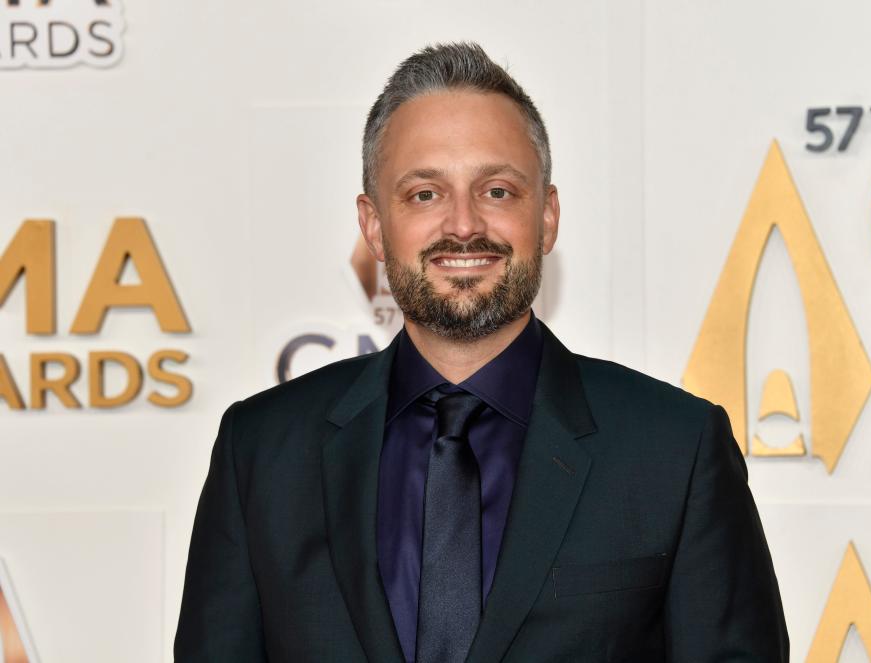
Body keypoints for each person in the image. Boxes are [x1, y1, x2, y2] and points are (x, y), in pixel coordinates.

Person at [174, 42, 789, 662]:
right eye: (424, 194)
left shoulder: (674, 450)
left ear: (546, 217)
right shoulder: (262, 452)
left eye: (497, 191)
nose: (464, 225)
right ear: (372, 225)